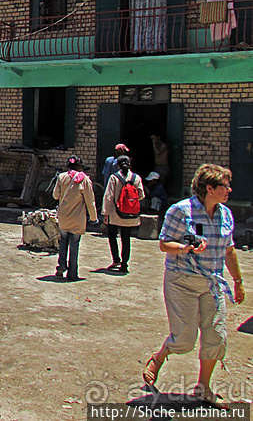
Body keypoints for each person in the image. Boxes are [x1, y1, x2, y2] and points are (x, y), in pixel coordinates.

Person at [142, 164, 245, 404]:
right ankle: (159, 357)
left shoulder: (225, 214)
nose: (229, 189)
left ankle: (203, 387)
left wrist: (238, 282)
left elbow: (229, 251)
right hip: (182, 282)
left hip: (212, 284)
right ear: (210, 188)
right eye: (224, 186)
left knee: (216, 337)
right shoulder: (180, 211)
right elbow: (164, 244)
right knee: (184, 340)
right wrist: (186, 248)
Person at [53, 155, 98, 281]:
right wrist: (93, 217)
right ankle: (72, 273)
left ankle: (61, 266)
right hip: (77, 219)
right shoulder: (85, 180)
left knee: (63, 242)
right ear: (80, 166)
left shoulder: (61, 177)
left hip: (63, 216)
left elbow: (55, 195)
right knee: (74, 245)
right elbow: (90, 201)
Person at [102, 155, 145, 273]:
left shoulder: (114, 178)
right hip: (130, 215)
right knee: (126, 239)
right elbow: (141, 195)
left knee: (112, 236)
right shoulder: (136, 178)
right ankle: (125, 264)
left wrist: (105, 213)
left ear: (118, 165)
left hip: (115, 214)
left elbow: (108, 196)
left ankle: (116, 259)